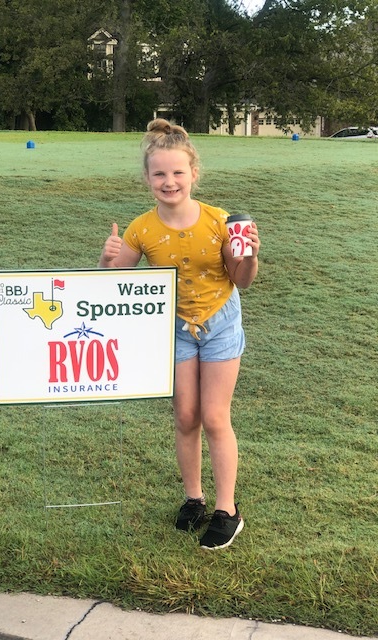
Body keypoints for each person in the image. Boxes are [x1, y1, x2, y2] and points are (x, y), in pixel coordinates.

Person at [98, 118, 260, 550]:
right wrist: (106, 259)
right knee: (186, 417)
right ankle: (194, 499)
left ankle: (227, 510)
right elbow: (113, 282)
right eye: (159, 174)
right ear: (147, 178)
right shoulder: (141, 228)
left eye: (177, 172)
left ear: (193, 173)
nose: (169, 182)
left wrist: (249, 256)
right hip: (174, 329)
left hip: (220, 324)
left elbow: (242, 280)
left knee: (214, 416)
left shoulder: (219, 220)